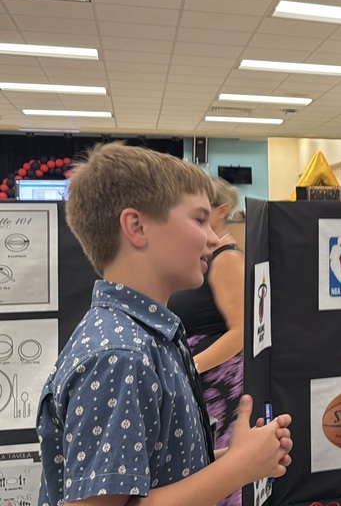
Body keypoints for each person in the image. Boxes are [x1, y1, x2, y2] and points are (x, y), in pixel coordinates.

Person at [38, 142, 292, 506]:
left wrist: (245, 460)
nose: (212, 237)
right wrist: (237, 468)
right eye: (199, 219)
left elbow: (149, 479)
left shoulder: (149, 339)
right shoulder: (120, 356)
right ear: (137, 227)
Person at [168, 177, 245, 506]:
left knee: (215, 473)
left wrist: (193, 366)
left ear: (221, 211)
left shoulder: (227, 260)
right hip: (198, 378)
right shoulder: (202, 257)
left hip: (215, 382)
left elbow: (241, 332)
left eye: (200, 215)